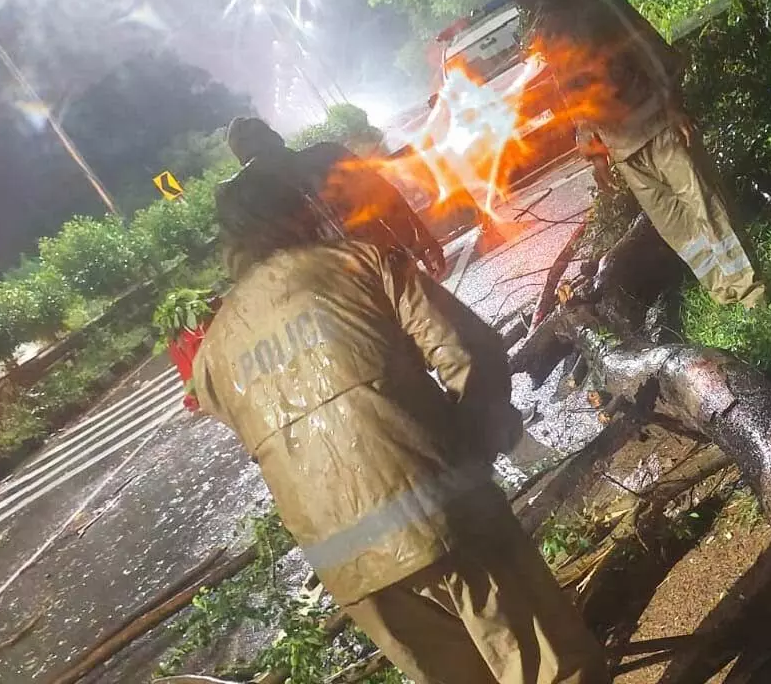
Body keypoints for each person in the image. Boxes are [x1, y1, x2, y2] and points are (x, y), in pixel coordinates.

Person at [191, 164, 610, 684]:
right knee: (550, 668)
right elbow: (470, 353)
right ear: (296, 211)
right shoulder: (360, 264)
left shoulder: (212, 355)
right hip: (441, 514)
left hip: (349, 565)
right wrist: (473, 452)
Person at [495, 0, 767, 308]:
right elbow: (572, 93)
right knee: (677, 227)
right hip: (622, 147)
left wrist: (672, 104)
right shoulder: (546, 29)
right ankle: (724, 293)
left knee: (707, 207)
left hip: (658, 122)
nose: (527, 3)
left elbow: (644, 41)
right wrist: (594, 151)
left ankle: (751, 292)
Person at [225, 116, 448, 279]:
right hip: (351, 294)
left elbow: (383, 195)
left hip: (378, 279)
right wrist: (420, 239)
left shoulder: (328, 156)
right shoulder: (326, 156)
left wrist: (420, 239)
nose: (266, 159)